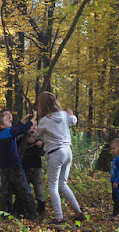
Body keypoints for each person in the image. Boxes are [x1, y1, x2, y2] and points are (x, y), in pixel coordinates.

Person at [36, 91, 86, 224]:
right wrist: (71, 113)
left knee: (53, 186)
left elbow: (36, 134)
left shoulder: (45, 120)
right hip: (68, 151)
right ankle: (79, 212)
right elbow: (74, 121)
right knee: (62, 184)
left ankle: (59, 217)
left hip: (55, 153)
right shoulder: (64, 115)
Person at [0, 110, 38, 220]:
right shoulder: (9, 132)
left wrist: (25, 118)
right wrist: (33, 118)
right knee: (24, 189)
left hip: (4, 167)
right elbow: (21, 129)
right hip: (14, 166)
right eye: (7, 121)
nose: (10, 121)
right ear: (2, 125)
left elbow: (17, 127)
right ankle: (32, 214)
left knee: (7, 189)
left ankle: (6, 212)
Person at [17, 120, 46, 215]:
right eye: (31, 126)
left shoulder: (40, 139)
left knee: (39, 189)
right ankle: (24, 208)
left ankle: (41, 209)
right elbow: (19, 151)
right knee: (24, 189)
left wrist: (39, 146)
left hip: (36, 168)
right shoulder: (21, 139)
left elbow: (42, 153)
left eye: (35, 126)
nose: (33, 128)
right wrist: (26, 142)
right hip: (24, 168)